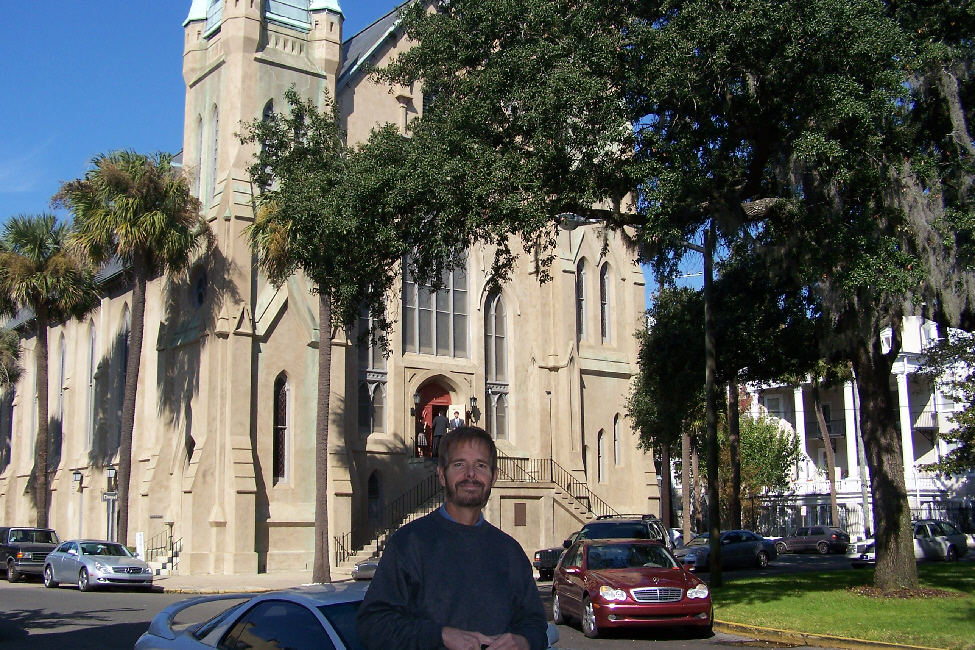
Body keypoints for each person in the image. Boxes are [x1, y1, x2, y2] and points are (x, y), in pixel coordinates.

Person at [356, 427, 548, 650]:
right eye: (459, 464)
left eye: (480, 465)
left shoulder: (510, 551)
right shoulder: (409, 544)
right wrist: (440, 636)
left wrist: (523, 641)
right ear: (441, 475)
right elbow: (372, 625)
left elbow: (535, 624)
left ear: (494, 476)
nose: (470, 474)